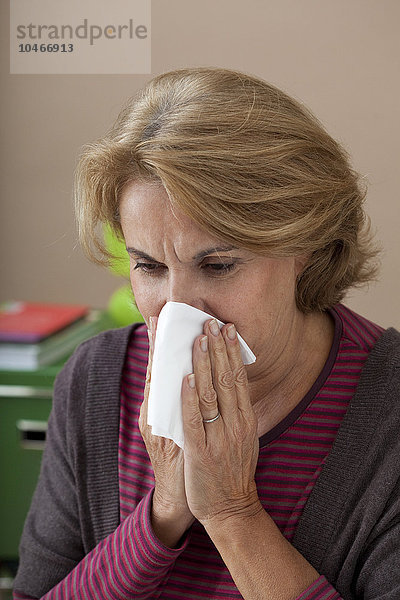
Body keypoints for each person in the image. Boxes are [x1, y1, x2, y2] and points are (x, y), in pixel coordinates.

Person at [13, 67, 400, 600]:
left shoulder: (389, 412)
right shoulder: (97, 381)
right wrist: (161, 516)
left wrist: (231, 511)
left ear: (304, 248)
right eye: (149, 266)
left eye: (218, 265)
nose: (178, 307)